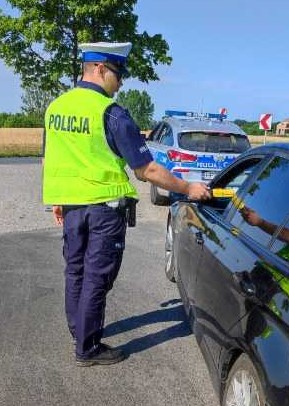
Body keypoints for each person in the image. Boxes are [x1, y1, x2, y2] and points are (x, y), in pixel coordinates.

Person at [42, 41, 211, 367]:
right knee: (96, 277)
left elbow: (51, 160)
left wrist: (58, 202)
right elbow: (146, 169)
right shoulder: (111, 113)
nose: (120, 84)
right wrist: (187, 186)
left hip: (72, 207)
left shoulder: (56, 107)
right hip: (104, 210)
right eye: (118, 75)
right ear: (101, 69)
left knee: (75, 271)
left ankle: (79, 331)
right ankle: (88, 349)